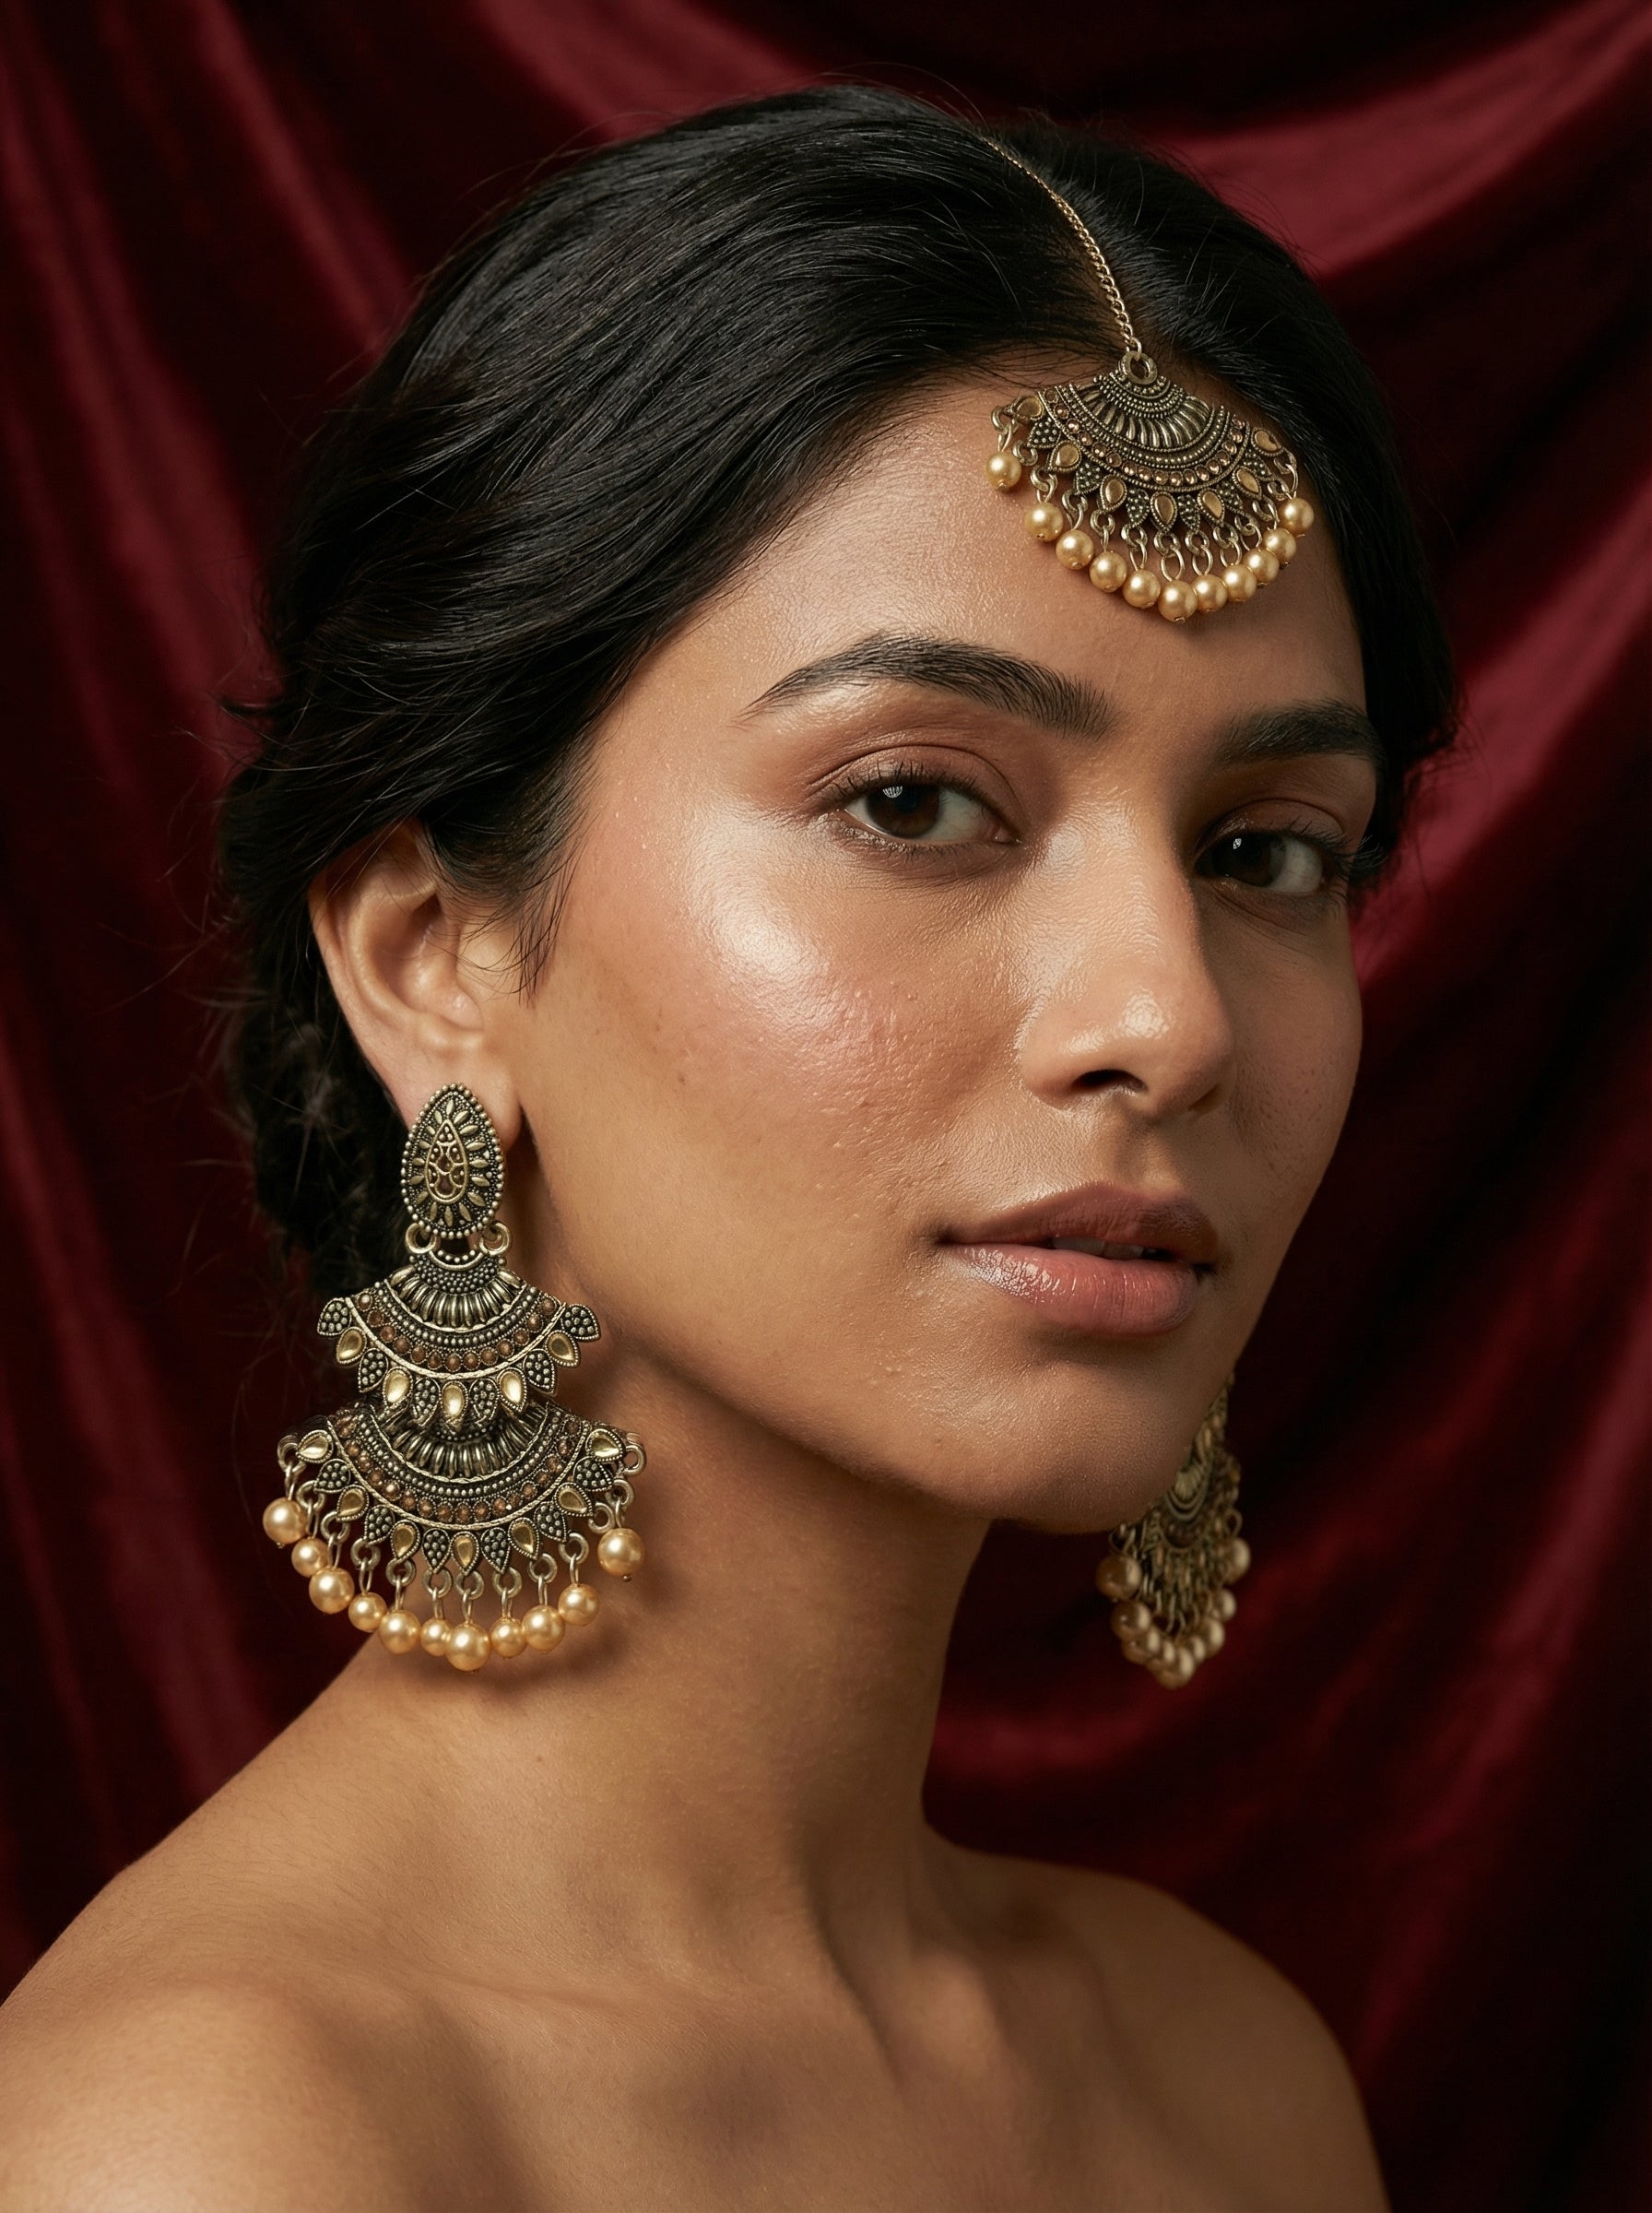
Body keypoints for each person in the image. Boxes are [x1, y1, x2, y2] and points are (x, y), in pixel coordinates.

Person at [0, 86, 1451, 2210]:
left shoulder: (1218, 2080)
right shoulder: (224, 2140)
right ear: (435, 958)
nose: (1169, 1016)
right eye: (912, 801)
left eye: (1263, 850)